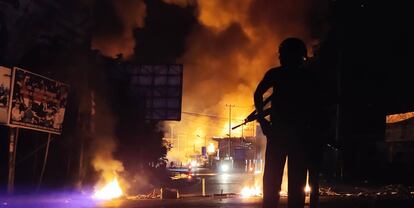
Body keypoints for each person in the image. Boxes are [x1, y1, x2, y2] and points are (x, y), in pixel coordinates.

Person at [255, 37, 318, 208]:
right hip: (298, 136)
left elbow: (258, 94)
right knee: (296, 184)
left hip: (280, 134)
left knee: (272, 181)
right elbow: (316, 105)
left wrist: (263, 121)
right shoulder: (307, 76)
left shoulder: (276, 74)